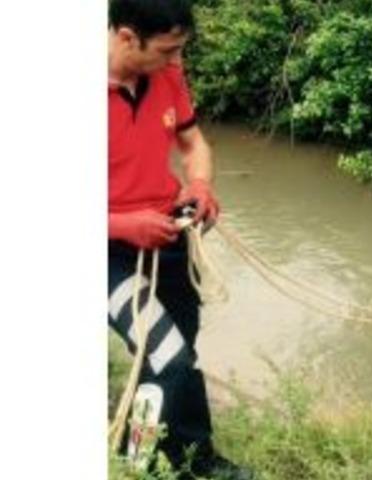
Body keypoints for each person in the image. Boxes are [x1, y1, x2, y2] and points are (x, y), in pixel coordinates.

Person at [107, 1, 247, 477]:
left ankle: (164, 458)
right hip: (107, 254)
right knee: (168, 358)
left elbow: (192, 143)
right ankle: (164, 463)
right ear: (127, 37)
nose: (175, 63)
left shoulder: (166, 74)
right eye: (167, 51)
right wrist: (122, 225)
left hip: (165, 237)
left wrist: (201, 185)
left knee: (176, 353)